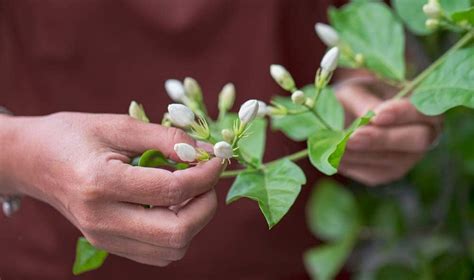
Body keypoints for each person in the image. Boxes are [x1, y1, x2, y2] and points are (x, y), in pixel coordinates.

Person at [0, 0, 441, 279]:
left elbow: (355, 22)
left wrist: (373, 95)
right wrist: (20, 157)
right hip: (44, 257)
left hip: (280, 262)